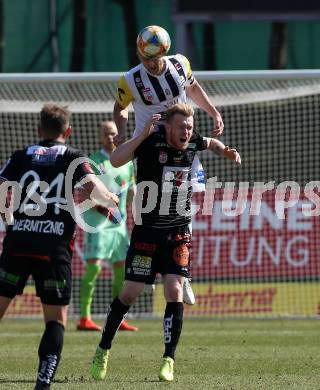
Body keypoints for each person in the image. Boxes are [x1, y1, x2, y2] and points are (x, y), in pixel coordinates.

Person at [90, 103, 241, 382]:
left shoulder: (193, 141)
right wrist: (142, 133)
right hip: (147, 232)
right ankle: (103, 349)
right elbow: (115, 159)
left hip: (178, 230)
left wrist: (226, 151)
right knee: (129, 294)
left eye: (190, 127)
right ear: (168, 127)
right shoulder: (149, 142)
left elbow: (211, 142)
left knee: (173, 291)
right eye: (182, 126)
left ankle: (168, 359)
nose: (187, 131)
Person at [0, 103, 119, 390]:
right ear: (68, 131)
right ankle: (43, 381)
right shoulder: (73, 157)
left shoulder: (20, 156)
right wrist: (111, 198)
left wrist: (8, 217)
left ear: (39, 130)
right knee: (56, 320)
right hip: (53, 247)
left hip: (18, 242)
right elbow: (94, 189)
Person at [113, 25, 224, 305]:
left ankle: (182, 275)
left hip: (182, 145)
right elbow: (120, 107)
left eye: (154, 58)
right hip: (150, 150)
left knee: (185, 204)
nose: (149, 63)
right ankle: (146, 267)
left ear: (164, 52)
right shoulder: (130, 79)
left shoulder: (180, 64)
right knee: (147, 203)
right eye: (144, 58)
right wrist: (123, 132)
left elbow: (194, 87)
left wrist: (213, 111)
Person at [77, 121, 138, 332]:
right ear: (100, 137)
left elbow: (130, 191)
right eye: (106, 134)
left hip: (118, 226)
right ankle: (84, 317)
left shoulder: (127, 162)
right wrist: (106, 211)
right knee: (93, 268)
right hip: (99, 224)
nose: (111, 137)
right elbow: (83, 194)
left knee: (121, 272)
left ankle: (117, 318)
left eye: (113, 133)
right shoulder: (94, 161)